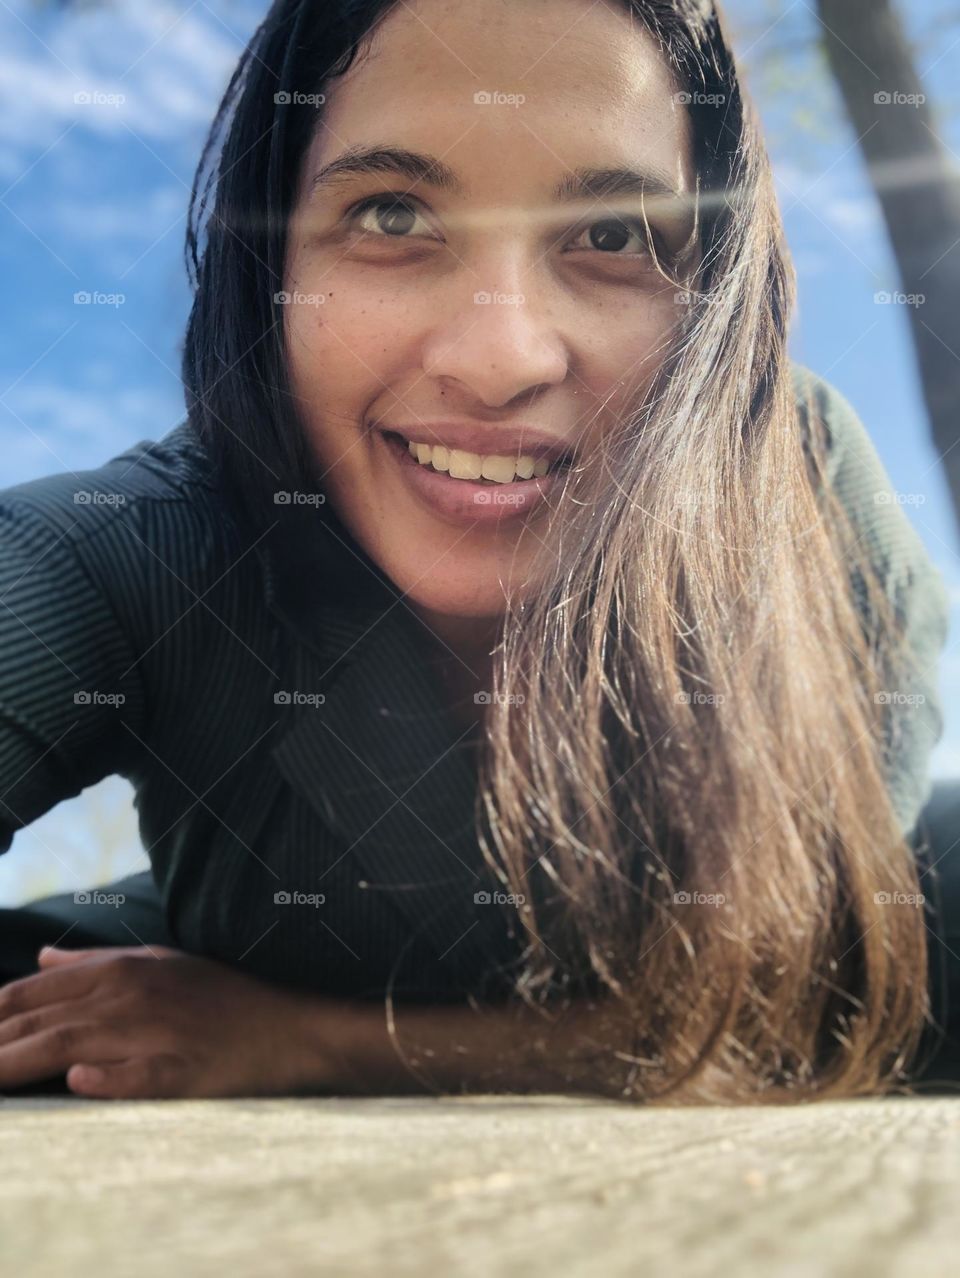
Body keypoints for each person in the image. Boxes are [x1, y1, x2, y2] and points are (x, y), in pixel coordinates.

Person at [0, 0, 955, 1102]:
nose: (498, 358)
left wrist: (316, 1044)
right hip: (200, 934)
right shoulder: (133, 548)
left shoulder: (809, 498)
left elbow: (792, 988)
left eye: (613, 235)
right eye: (394, 214)